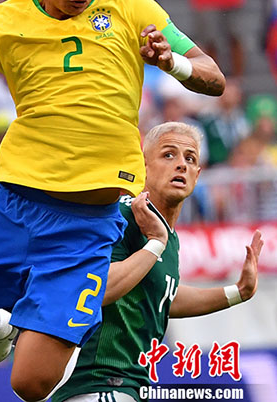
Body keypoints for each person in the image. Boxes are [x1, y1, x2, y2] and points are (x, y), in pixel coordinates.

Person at [0, 0, 225, 402]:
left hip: (86, 225)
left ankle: (18, 323)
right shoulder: (2, 21)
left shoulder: (129, 6)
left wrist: (172, 63)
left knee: (31, 385)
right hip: (14, 207)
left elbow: (213, 76)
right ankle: (1, 323)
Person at [53, 121, 263, 402]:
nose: (181, 165)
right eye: (168, 155)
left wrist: (238, 292)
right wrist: (155, 244)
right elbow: (94, 289)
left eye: (190, 159)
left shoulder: (166, 234)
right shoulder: (122, 217)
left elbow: (163, 297)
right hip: (98, 385)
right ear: (143, 165)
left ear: (198, 175)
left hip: (126, 387)